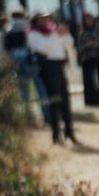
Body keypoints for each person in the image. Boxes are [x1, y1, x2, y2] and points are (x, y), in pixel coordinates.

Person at [29, 9, 79, 145]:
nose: (46, 21)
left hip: (59, 66)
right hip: (48, 67)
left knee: (65, 100)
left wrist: (66, 34)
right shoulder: (33, 34)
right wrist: (56, 35)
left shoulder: (53, 31)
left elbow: (68, 44)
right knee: (54, 101)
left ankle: (69, 133)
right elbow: (44, 49)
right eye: (42, 18)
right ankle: (56, 135)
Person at [2, 7, 43, 125]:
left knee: (24, 90)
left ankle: (29, 117)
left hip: (16, 61)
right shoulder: (28, 27)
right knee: (39, 86)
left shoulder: (8, 29)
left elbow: (7, 48)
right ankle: (46, 114)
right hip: (30, 59)